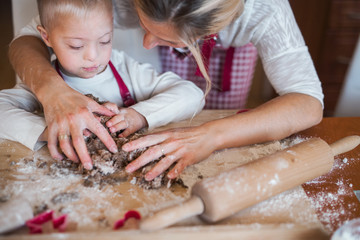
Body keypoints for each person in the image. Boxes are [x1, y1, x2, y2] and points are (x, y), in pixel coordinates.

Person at [9, 0, 323, 181]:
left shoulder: (264, 9)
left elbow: (307, 102)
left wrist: (211, 135)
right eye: (143, 26)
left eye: (168, 40)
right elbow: (27, 40)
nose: (145, 44)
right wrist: (55, 93)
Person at [0, 0, 204, 170]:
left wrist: (137, 115)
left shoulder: (126, 70)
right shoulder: (43, 80)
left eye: (105, 41)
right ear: (46, 37)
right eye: (76, 45)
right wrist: (52, 129)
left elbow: (192, 95)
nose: (93, 56)